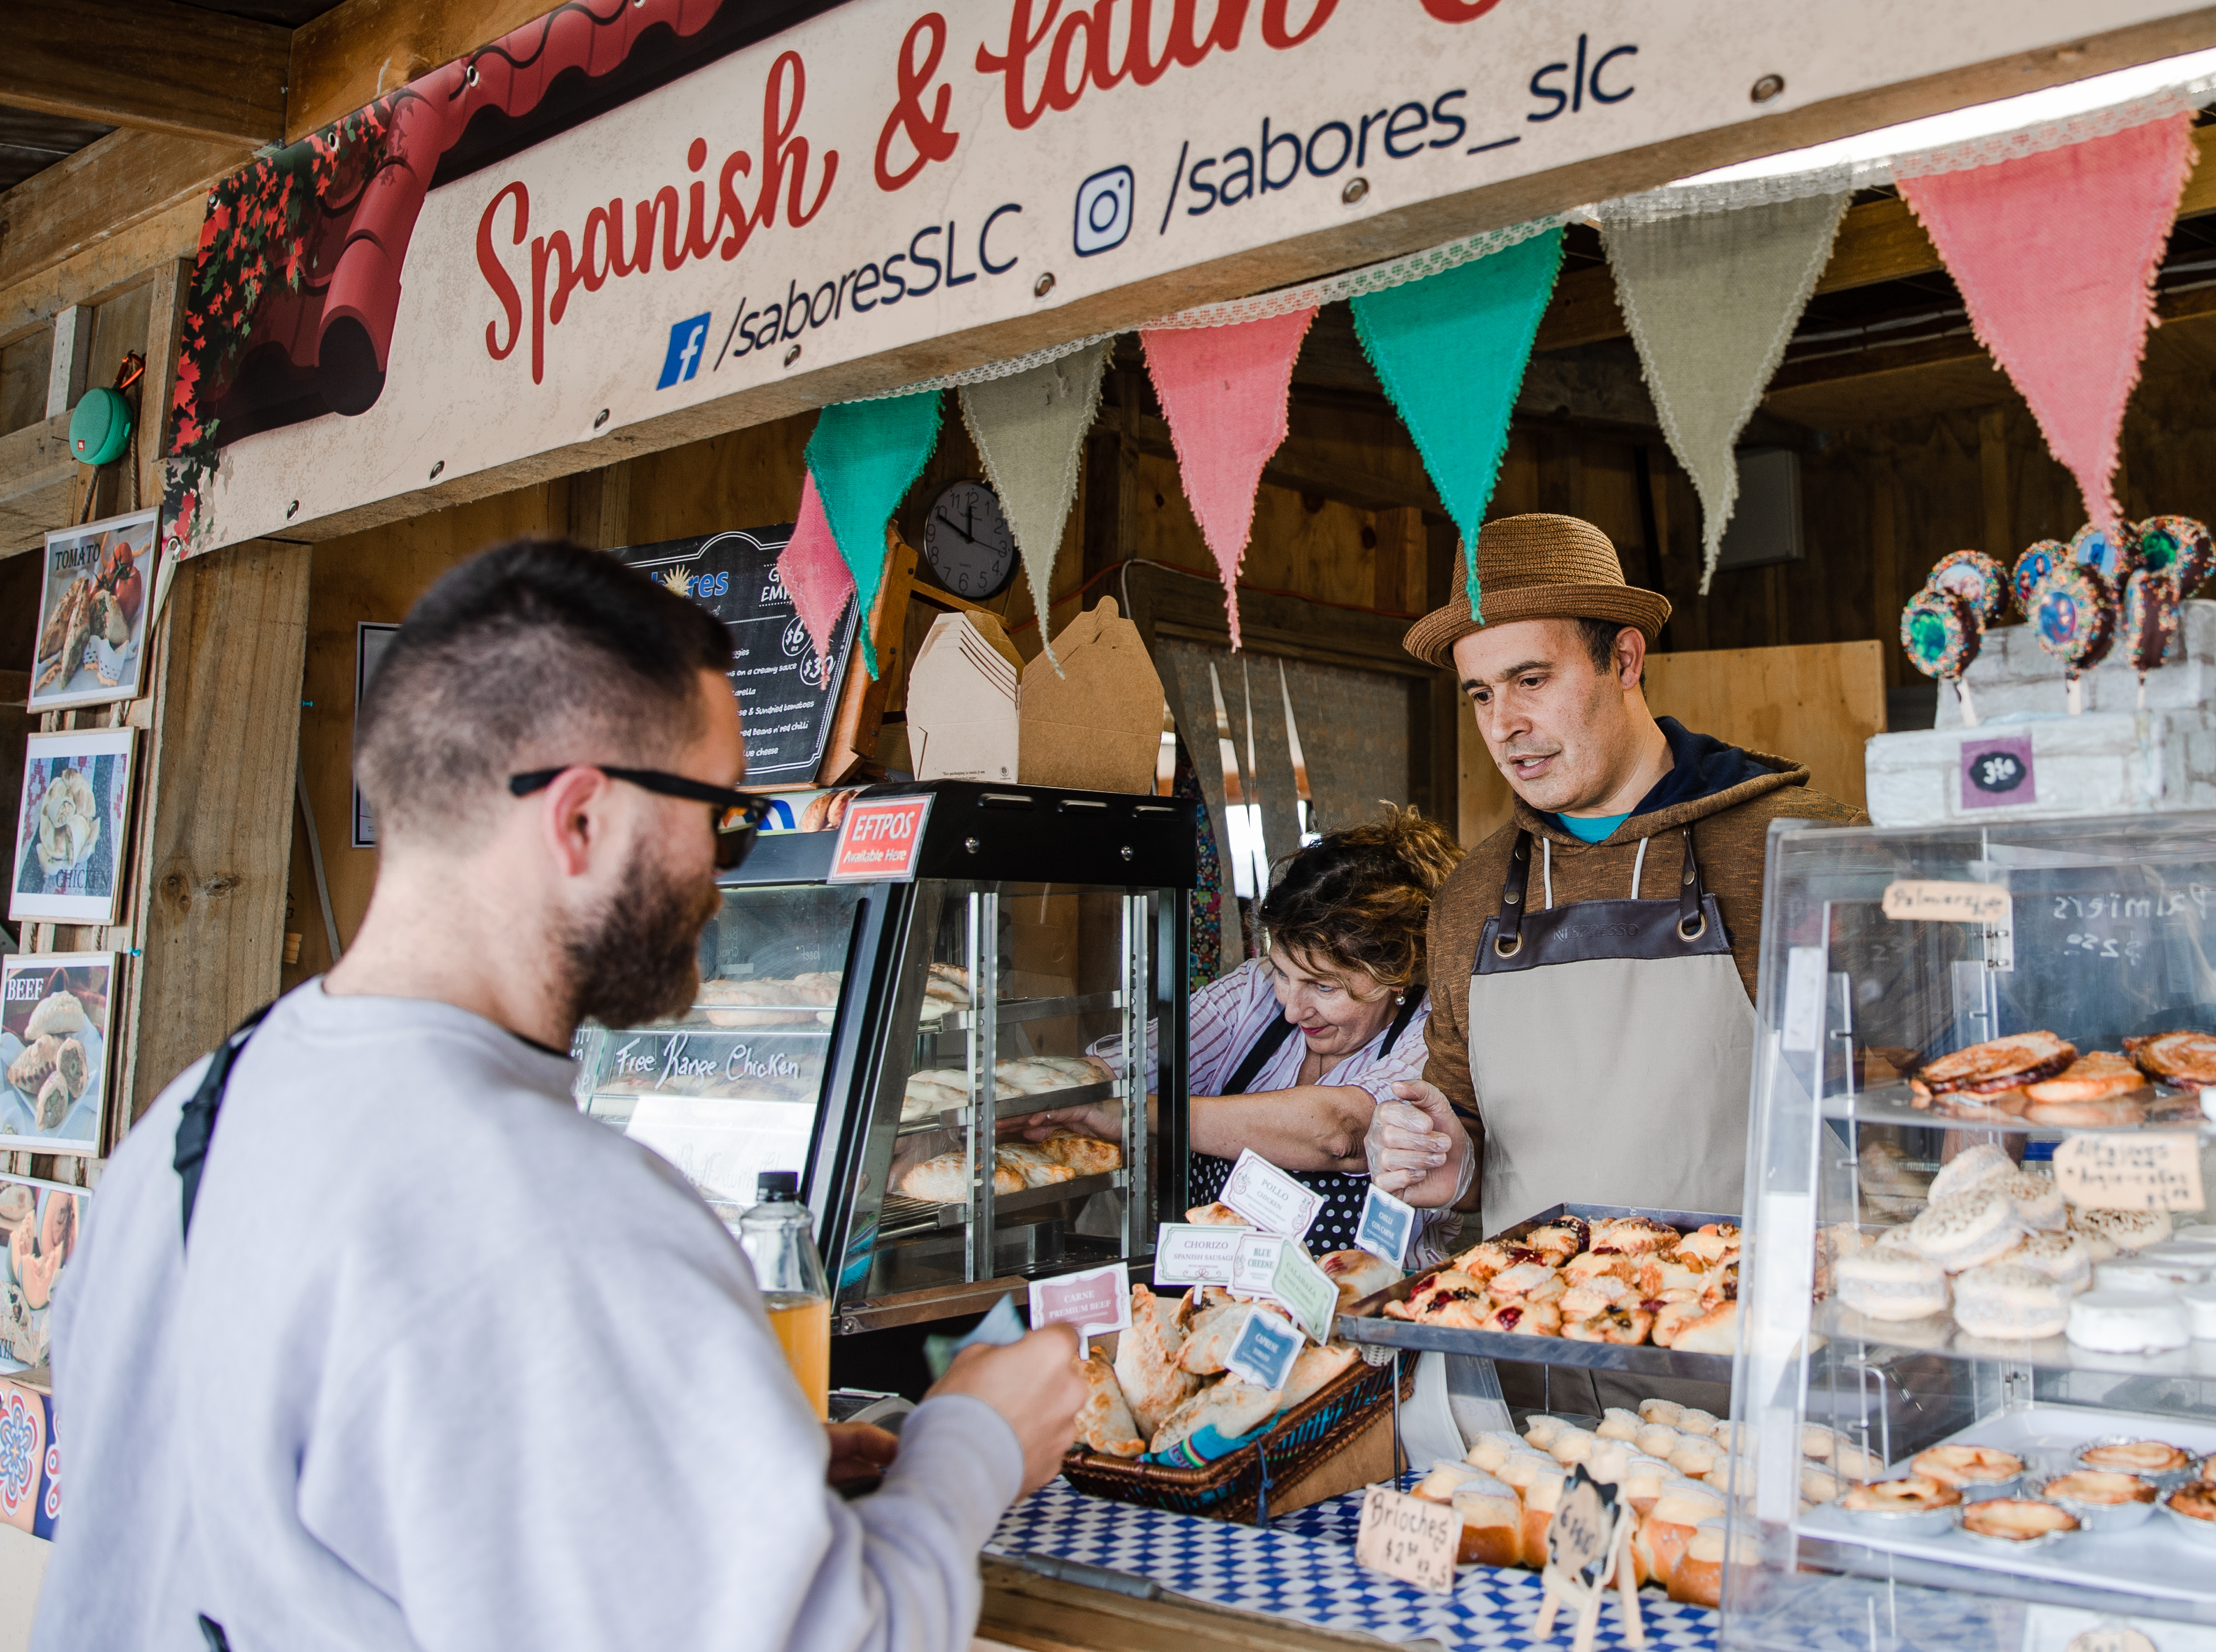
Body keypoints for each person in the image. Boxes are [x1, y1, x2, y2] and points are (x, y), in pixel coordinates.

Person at [41, 540, 1086, 1650]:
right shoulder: (562, 1213)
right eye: (721, 820)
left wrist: (709, 1480)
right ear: (580, 817)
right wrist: (973, 1440)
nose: (722, 876)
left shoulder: (192, 1118)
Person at [1362, 514, 1857, 1234]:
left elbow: (1927, 1103)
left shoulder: (1802, 850)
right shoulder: (1472, 893)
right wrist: (1449, 1161)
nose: (1504, 725)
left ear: (1625, 661)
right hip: (1532, 1323)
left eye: (1530, 680)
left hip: (1760, 1327)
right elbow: (1463, 1118)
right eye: (1481, 695)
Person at [1048, 808, 1458, 1256]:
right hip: (1218, 1307)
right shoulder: (1253, 989)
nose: (1293, 1010)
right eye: (1285, 973)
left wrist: (1137, 1113)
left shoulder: (1436, 1030)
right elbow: (1127, 1066)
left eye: (1324, 986)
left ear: (1394, 973)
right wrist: (1043, 1097)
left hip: (1366, 1306)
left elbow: (1340, 1132)